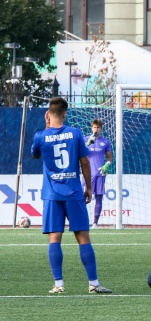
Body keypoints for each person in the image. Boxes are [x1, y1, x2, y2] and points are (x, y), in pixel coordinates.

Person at [30, 97, 112, 294]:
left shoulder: (40, 136)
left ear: (48, 114)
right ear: (65, 114)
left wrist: (46, 127)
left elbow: (35, 154)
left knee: (54, 237)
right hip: (74, 192)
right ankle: (93, 283)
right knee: (83, 237)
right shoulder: (75, 133)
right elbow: (85, 162)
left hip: (52, 194)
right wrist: (89, 188)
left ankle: (59, 285)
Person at [83, 119, 113, 229]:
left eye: (98, 127)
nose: (96, 129)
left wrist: (107, 165)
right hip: (87, 174)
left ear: (101, 129)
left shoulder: (105, 142)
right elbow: (79, 153)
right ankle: (80, 222)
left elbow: (109, 158)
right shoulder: (85, 139)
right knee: (82, 198)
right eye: (95, 127)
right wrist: (87, 144)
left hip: (100, 173)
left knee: (99, 198)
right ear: (92, 128)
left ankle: (95, 223)